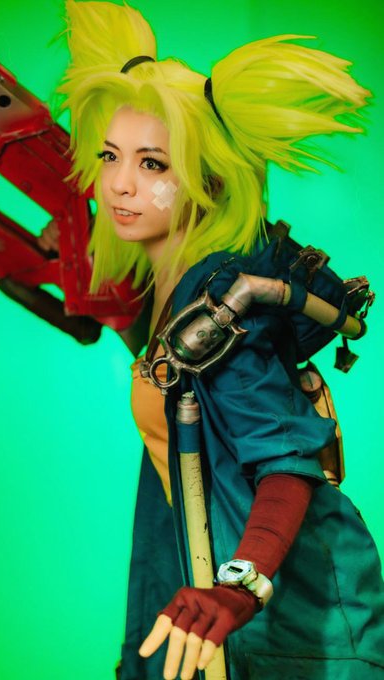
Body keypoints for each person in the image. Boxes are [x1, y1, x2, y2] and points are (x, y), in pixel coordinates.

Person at [53, 2, 384, 678]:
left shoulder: (221, 301)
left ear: (207, 180)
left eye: (153, 164)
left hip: (293, 619)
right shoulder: (171, 285)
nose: (119, 183)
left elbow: (286, 461)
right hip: (213, 592)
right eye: (111, 156)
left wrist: (240, 587)